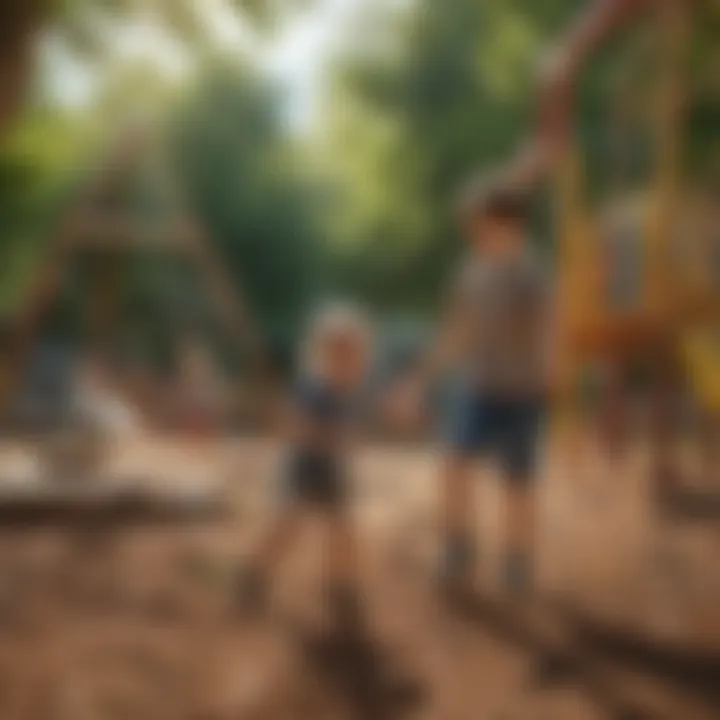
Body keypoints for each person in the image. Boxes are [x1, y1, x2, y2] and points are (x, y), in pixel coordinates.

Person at [391, 184, 556, 596]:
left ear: (511, 226)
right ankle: (459, 548)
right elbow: (457, 332)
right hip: (479, 387)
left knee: (517, 480)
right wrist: (421, 380)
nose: (475, 235)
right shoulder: (472, 273)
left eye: (482, 227)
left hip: (522, 391)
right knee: (453, 461)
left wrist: (549, 374)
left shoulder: (533, 274)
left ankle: (517, 559)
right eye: (474, 229)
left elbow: (548, 328)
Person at [236, 303, 372, 628]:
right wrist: (328, 439)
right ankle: (253, 576)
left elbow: (344, 430)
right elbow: (297, 426)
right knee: (287, 526)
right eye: (343, 353)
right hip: (305, 466)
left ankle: (341, 588)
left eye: (355, 354)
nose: (352, 362)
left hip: (331, 469)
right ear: (324, 354)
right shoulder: (315, 388)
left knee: (343, 531)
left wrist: (341, 442)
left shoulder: (345, 390)